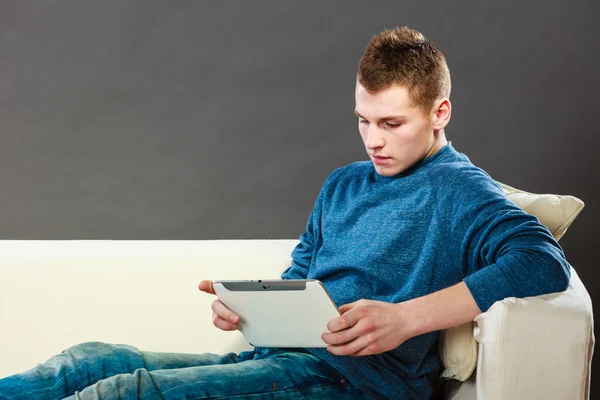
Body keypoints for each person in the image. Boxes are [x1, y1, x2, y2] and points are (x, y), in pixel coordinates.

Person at [0, 26, 569, 400]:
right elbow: (301, 278)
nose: (373, 140)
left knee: (127, 392)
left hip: (355, 382)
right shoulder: (343, 184)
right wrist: (247, 310)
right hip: (277, 358)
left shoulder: (460, 191)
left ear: (440, 111)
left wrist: (406, 319)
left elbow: (541, 261)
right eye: (363, 120)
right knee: (90, 360)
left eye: (392, 123)